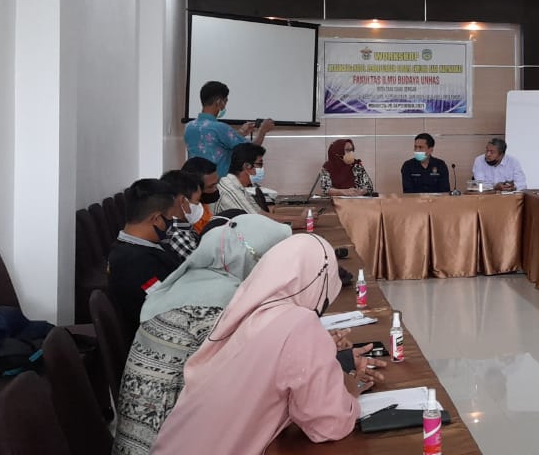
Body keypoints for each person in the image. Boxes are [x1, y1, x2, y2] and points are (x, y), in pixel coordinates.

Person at [151, 234, 374, 454]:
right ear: (322, 280)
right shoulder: (299, 323)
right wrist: (350, 388)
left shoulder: (247, 311)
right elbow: (329, 424)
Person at [112, 214, 293, 455]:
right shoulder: (217, 308)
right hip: (167, 443)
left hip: (152, 434)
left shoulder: (196, 282)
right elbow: (253, 384)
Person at [107, 179, 185, 337]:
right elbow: (168, 307)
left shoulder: (147, 245)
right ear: (156, 219)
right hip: (159, 335)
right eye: (170, 218)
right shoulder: (134, 263)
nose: (172, 224)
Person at [183, 80, 275, 177]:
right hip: (217, 183)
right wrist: (262, 131)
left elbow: (216, 143)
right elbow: (251, 151)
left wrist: (241, 132)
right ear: (219, 102)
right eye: (225, 101)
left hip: (194, 181)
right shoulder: (220, 128)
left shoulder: (189, 126)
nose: (224, 106)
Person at [159, 170, 205, 259]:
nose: (199, 205)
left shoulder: (184, 228)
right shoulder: (177, 236)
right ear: (183, 201)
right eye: (197, 200)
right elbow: (201, 263)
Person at [213, 143, 268, 216]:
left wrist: (284, 218)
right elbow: (254, 218)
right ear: (247, 166)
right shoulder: (230, 188)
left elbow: (261, 213)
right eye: (260, 164)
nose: (261, 168)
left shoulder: (240, 186)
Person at [179, 156, 220, 234]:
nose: (215, 189)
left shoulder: (203, 203)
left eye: (216, 183)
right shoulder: (190, 215)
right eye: (210, 186)